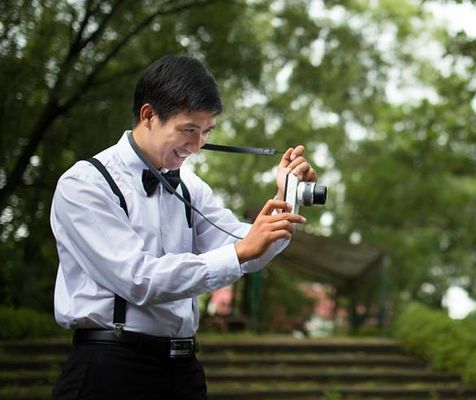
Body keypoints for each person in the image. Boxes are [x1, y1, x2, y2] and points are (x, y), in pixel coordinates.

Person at [50, 54, 317, 399]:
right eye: (188, 129)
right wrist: (239, 251)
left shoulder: (191, 186)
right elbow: (137, 279)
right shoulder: (85, 184)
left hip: (183, 370)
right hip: (110, 368)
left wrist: (287, 196)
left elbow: (247, 248)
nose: (196, 145)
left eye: (206, 132)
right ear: (148, 116)